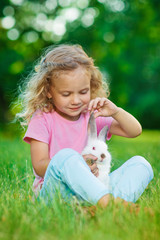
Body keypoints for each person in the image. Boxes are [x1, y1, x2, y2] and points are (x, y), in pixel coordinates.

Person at [16, 44, 153, 207]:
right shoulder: (42, 118)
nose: (76, 100)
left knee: (141, 164)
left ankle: (102, 207)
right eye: (66, 94)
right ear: (48, 91)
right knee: (66, 156)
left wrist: (116, 112)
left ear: (91, 86)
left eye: (83, 92)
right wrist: (79, 164)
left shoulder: (92, 115)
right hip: (58, 195)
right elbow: (39, 166)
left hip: (96, 190)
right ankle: (110, 205)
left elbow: (134, 131)